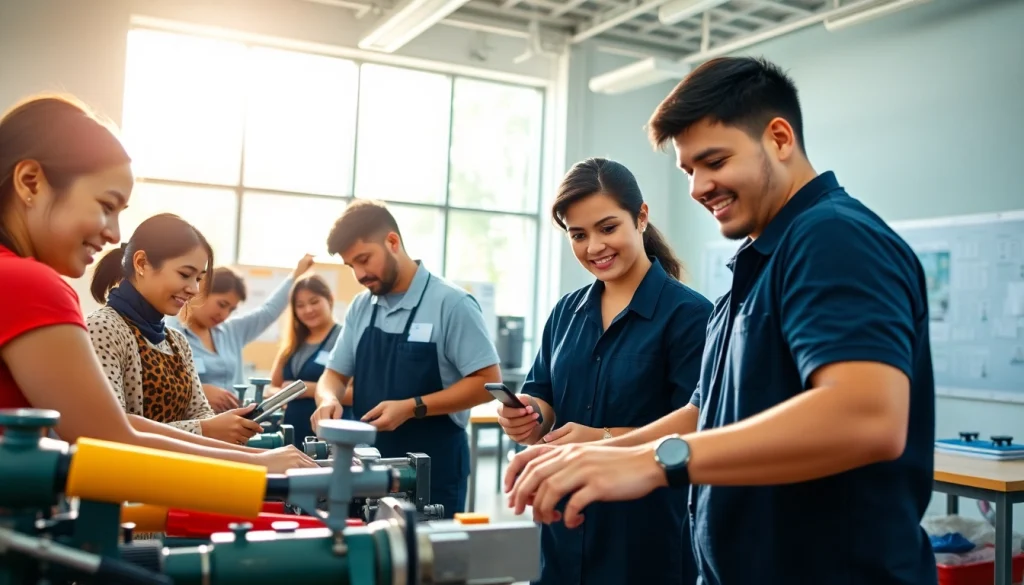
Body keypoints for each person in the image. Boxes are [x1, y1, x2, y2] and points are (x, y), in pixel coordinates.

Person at [504, 56, 936, 585]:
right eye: (689, 171)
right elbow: (705, 410)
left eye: (714, 161)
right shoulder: (758, 264)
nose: (697, 187)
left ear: (779, 138)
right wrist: (593, 453)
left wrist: (654, 461)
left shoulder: (832, 238)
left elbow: (867, 417)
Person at [0, 94, 313, 472]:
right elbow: (110, 438)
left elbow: (118, 427)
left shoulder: (174, 340)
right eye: (105, 205)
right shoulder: (31, 285)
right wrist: (260, 465)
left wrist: (256, 456)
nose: (115, 234)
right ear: (30, 182)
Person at [496, 158, 710, 585]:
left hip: (644, 537)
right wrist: (527, 416)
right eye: (579, 235)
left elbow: (699, 427)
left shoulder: (690, 316)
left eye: (607, 228)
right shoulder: (566, 313)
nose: (594, 247)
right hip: (563, 529)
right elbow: (544, 397)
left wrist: (602, 438)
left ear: (641, 217)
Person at [310, 200, 502, 517]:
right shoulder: (361, 306)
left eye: (364, 259)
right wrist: (327, 399)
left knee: (427, 564)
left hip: (434, 471)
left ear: (393, 242)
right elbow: (333, 375)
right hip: (368, 467)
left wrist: (413, 407)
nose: (359, 274)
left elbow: (488, 382)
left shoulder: (452, 304)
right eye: (351, 266)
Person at [88, 213, 266, 445]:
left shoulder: (177, 342)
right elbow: (111, 426)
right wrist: (206, 429)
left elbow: (200, 413)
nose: (193, 289)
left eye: (199, 279)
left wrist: (226, 427)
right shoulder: (104, 328)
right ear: (141, 263)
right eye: (185, 274)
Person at [168, 257, 313, 412]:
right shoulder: (169, 332)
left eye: (231, 309)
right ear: (201, 289)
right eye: (222, 304)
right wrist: (196, 391)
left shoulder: (231, 331)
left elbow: (267, 312)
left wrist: (295, 276)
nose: (224, 315)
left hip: (232, 426)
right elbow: (159, 386)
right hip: (191, 427)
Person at [269, 273, 350, 447]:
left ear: (330, 299)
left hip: (327, 440)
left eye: (314, 302)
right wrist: (279, 395)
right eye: (300, 305)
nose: (308, 310)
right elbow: (272, 386)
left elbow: (356, 394)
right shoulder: (292, 343)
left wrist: (306, 389)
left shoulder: (344, 339)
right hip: (289, 438)